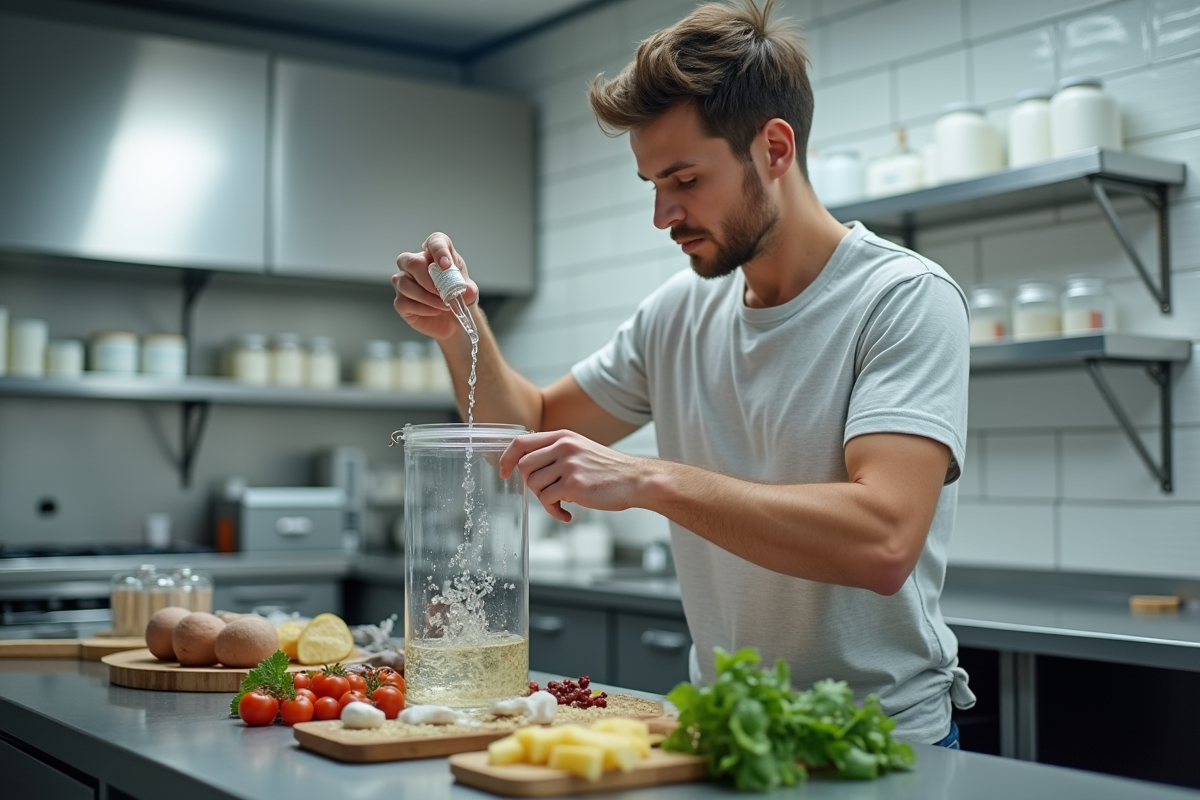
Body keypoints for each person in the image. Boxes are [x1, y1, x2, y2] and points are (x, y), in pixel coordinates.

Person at [392, 0, 974, 747]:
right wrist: (458, 330)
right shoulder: (678, 313)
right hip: (724, 734)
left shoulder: (903, 300)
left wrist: (649, 480)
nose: (663, 213)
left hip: (881, 745)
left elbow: (884, 541)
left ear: (774, 147)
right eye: (651, 184)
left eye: (685, 178)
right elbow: (532, 426)